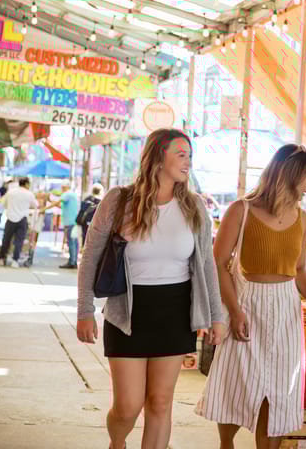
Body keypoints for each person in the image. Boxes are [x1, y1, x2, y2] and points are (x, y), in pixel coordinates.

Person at [76, 128, 226, 449]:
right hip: (127, 312)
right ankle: (118, 442)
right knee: (128, 406)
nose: (188, 162)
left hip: (175, 312)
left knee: (160, 402)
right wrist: (85, 311)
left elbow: (207, 267)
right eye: (181, 154)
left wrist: (217, 316)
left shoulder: (194, 207)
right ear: (158, 157)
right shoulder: (119, 201)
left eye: (190, 155)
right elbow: (90, 257)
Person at [196, 144, 306, 449]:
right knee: (237, 380)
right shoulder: (241, 211)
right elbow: (217, 263)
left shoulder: (303, 218)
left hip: (286, 307)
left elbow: (299, 268)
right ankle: (226, 444)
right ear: (290, 174)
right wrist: (235, 310)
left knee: (281, 388)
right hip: (247, 301)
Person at [0, 178, 38, 267]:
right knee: (19, 241)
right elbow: (35, 205)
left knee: (6, 239)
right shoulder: (29, 194)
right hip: (22, 219)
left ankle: (1, 258)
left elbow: (3, 203)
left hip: (10, 218)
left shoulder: (11, 192)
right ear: (27, 184)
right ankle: (15, 260)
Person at [48, 184, 81, 269]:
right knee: (74, 242)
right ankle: (73, 261)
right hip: (73, 221)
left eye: (62, 187)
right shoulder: (72, 195)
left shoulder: (67, 194)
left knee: (71, 242)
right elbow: (60, 205)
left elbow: (57, 202)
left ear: (65, 187)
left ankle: (72, 262)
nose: (61, 189)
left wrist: (44, 209)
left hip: (70, 222)